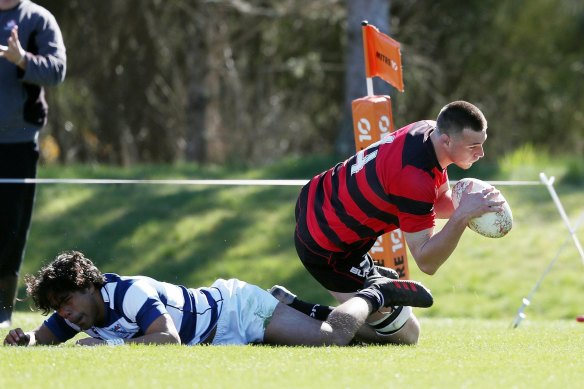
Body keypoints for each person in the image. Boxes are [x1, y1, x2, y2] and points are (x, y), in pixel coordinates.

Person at [293, 101, 505, 344]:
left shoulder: (427, 131)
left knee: (396, 320)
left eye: (482, 143)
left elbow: (434, 202)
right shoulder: (414, 178)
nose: (481, 153)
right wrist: (462, 215)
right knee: (405, 335)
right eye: (474, 146)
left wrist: (475, 206)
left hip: (317, 198)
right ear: (446, 140)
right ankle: (297, 309)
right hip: (327, 246)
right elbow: (427, 261)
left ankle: (375, 285)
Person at [3, 251, 433, 347]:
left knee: (336, 339)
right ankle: (296, 305)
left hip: (237, 309)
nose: (64, 315)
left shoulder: (126, 293)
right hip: (225, 326)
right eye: (57, 309)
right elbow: (43, 341)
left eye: (66, 303)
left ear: (87, 286)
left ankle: (376, 292)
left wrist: (105, 347)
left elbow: (167, 340)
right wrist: (26, 342)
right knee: (371, 344)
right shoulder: (77, 316)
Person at [0, 0, 66, 328]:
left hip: (17, 143)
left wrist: (21, 59)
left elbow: (57, 70)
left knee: (10, 229)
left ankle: (1, 312)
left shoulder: (38, 20)